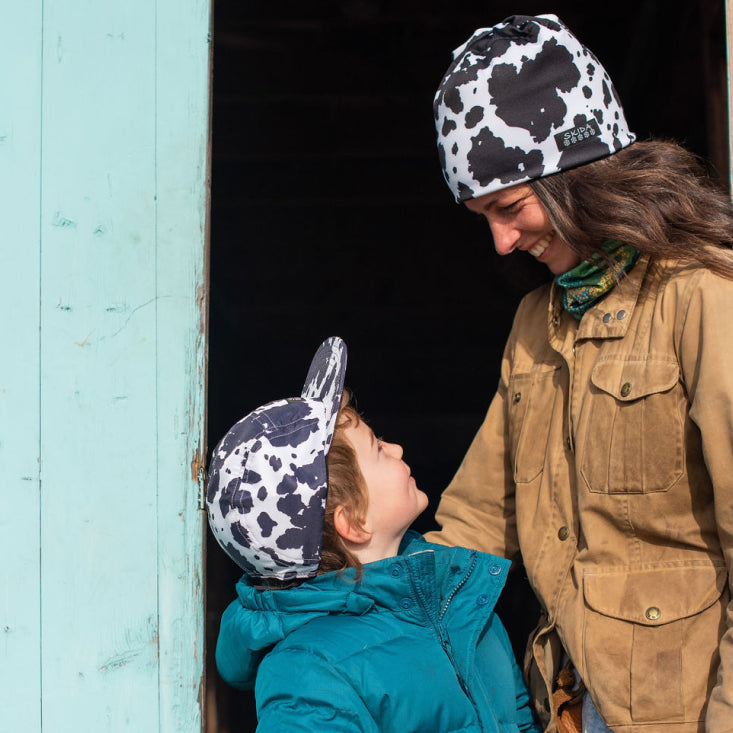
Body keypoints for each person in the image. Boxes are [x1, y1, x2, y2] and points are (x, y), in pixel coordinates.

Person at [425, 13, 733, 733]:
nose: (501, 242)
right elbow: (474, 525)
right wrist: (343, 615)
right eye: (482, 217)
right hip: (571, 706)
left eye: (509, 207)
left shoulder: (703, 297)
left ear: (578, 173)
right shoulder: (535, 324)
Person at [207, 336, 542, 733]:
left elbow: (518, 718)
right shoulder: (308, 674)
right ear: (354, 522)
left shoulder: (459, 598)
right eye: (379, 448)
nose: (397, 449)